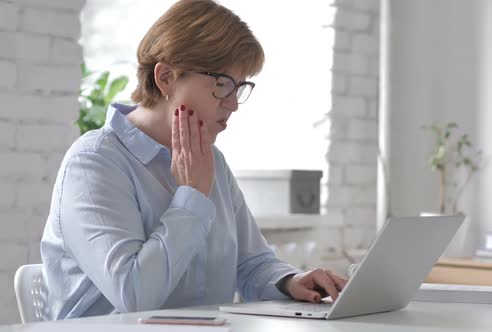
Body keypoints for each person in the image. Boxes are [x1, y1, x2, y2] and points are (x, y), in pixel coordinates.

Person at [40, 0, 347, 320]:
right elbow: (133, 294)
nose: (233, 104)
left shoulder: (211, 159)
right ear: (166, 78)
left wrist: (290, 281)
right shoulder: (93, 163)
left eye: (239, 87)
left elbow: (251, 262)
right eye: (221, 84)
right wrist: (192, 196)